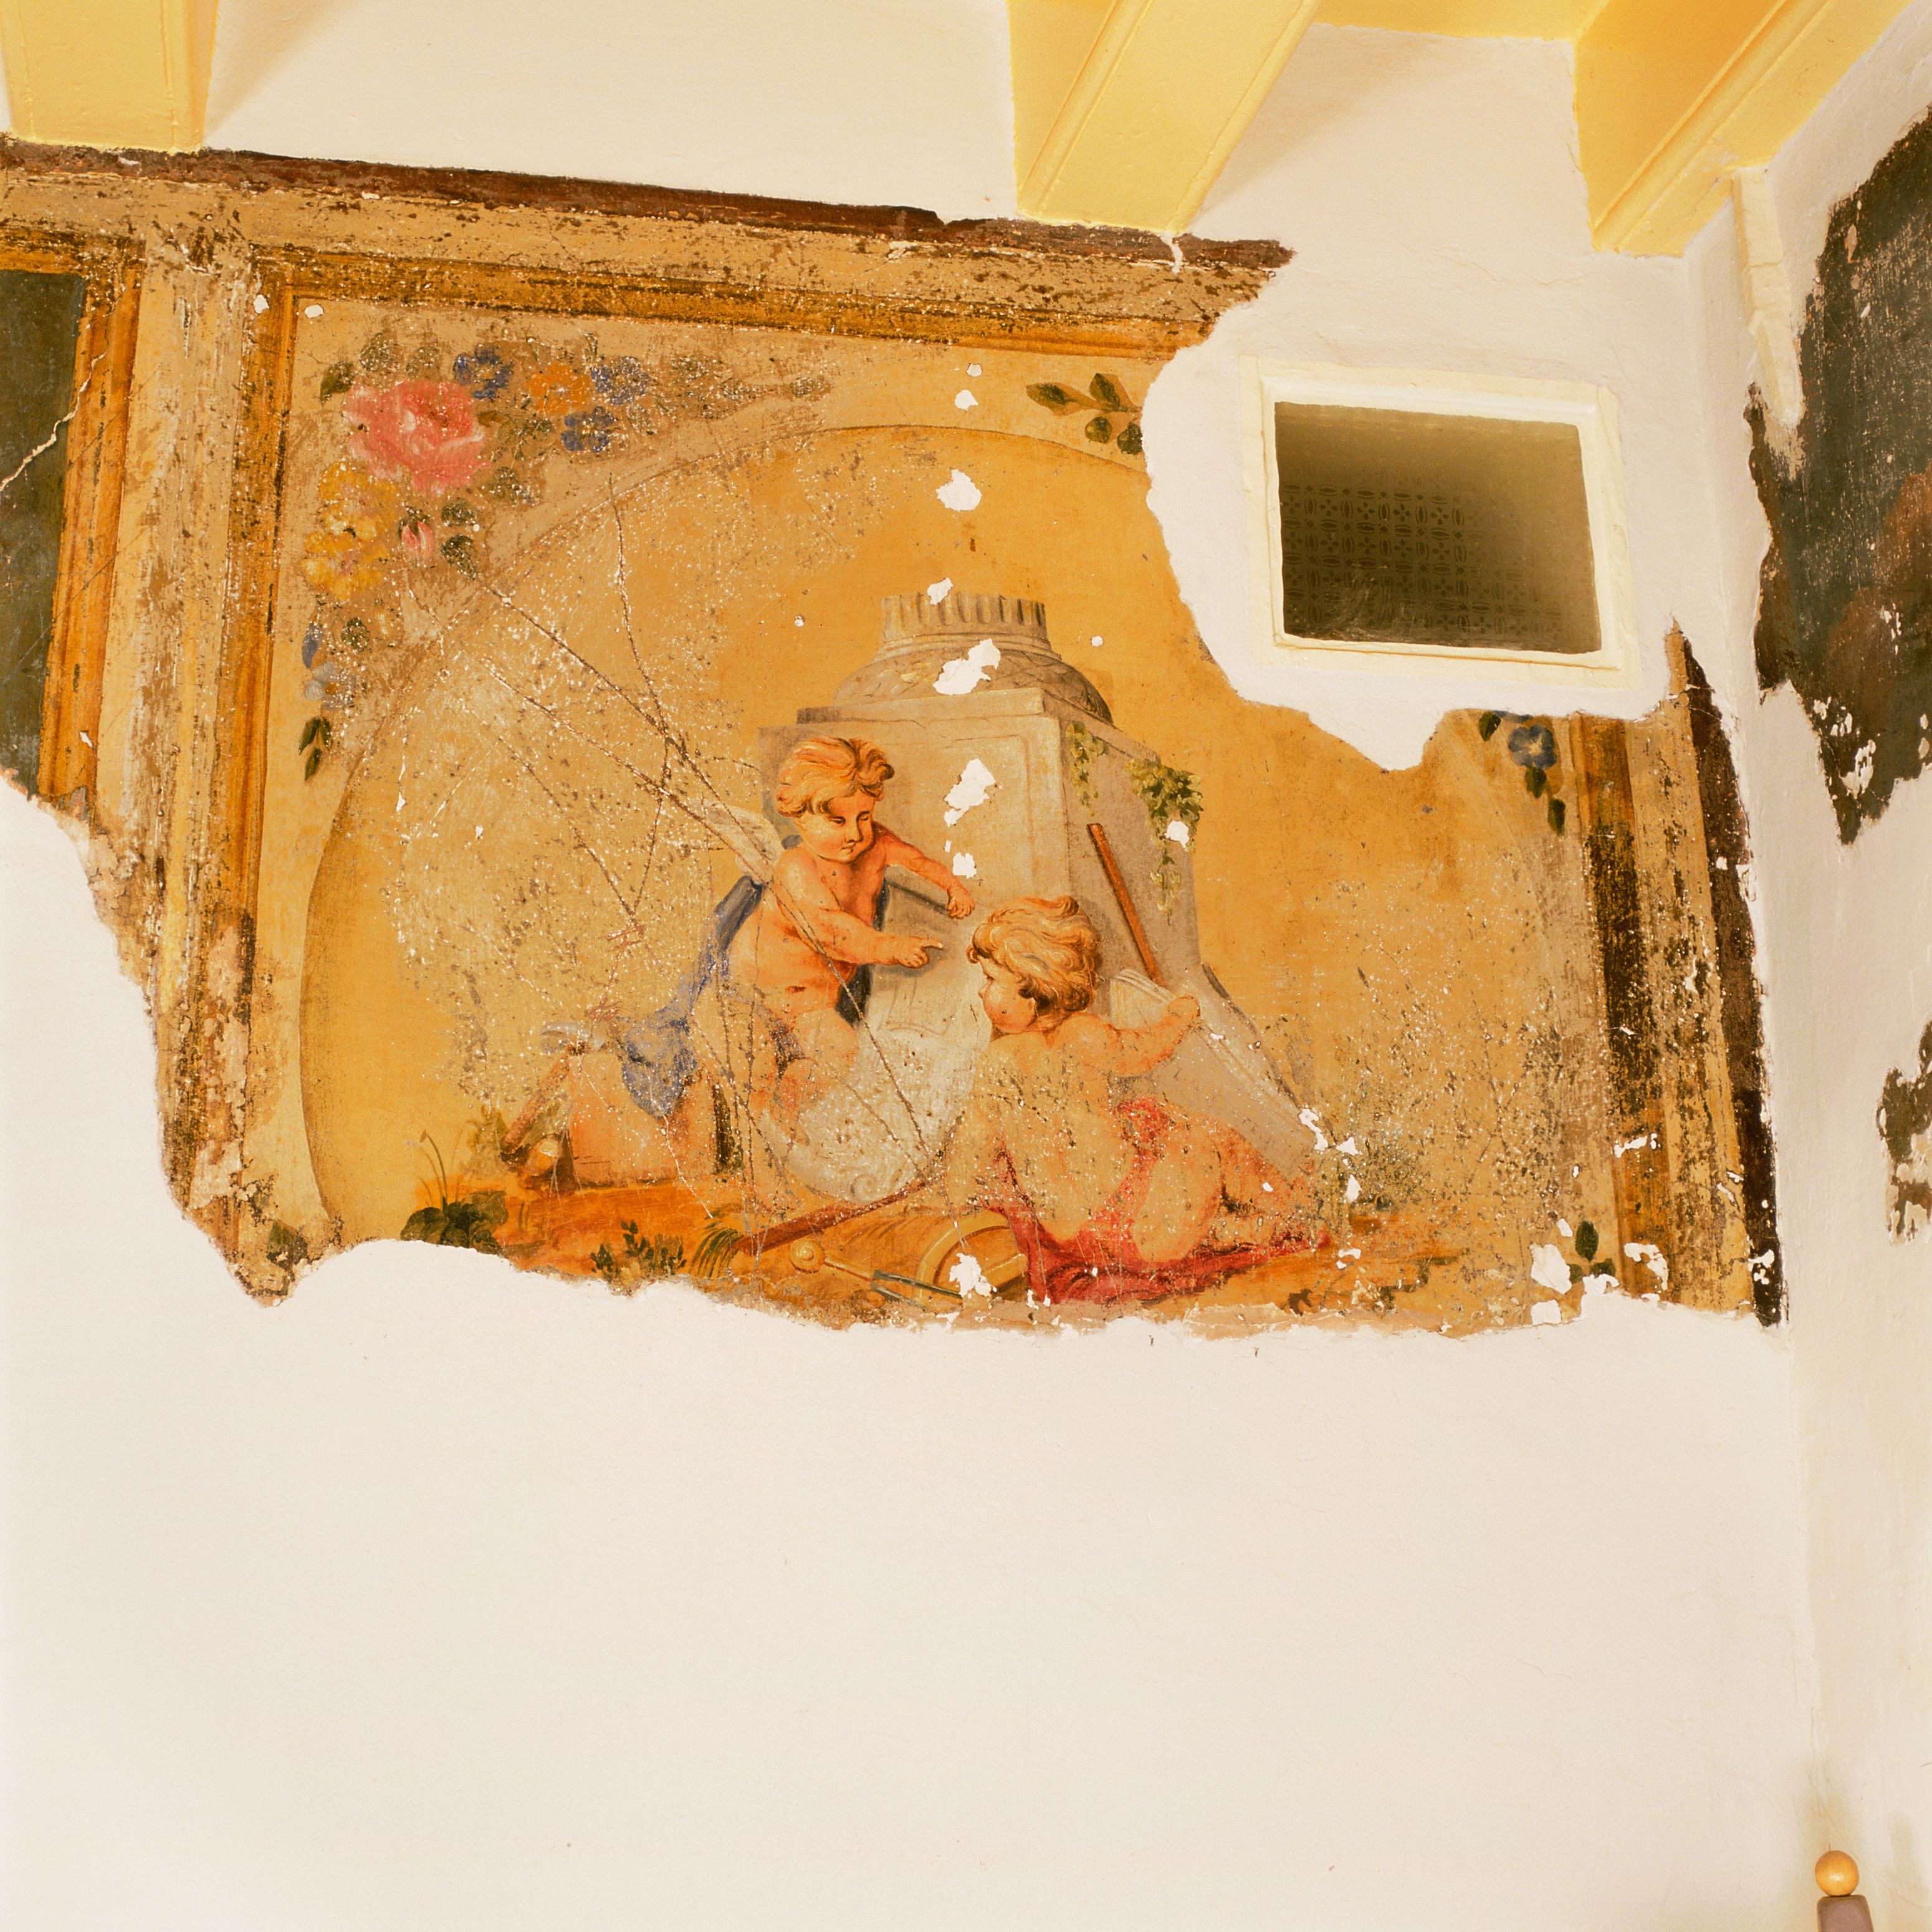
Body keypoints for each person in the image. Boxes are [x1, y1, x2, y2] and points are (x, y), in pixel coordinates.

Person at [942, 894, 1316, 1302]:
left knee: (1148, 1122)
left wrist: (953, 1202)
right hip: (1144, 1218)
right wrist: (1179, 1017)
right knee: (1202, 1135)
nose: (982, 993)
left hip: (1083, 1245)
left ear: (1033, 988)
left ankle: (1236, 1229)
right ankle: (1286, 1205)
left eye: (990, 980)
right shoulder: (1084, 1033)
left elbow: (971, 1152)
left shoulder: (996, 1062)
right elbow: (1147, 1049)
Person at [724, 735, 972, 1125]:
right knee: (754, 1071)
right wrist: (891, 947)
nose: (855, 833)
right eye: (837, 821)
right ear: (799, 816)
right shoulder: (796, 867)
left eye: (864, 817)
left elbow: (917, 861)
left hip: (812, 1009)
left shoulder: (877, 845)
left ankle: (785, 1117)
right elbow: (830, 931)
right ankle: (758, 1132)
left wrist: (953, 886)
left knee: (840, 1052)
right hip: (752, 1000)